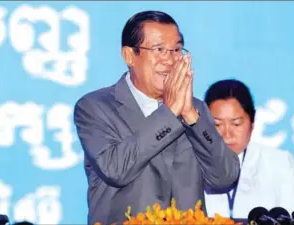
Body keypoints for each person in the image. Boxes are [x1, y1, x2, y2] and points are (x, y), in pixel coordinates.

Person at [74, 10, 240, 225]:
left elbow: (224, 177)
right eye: (159, 49)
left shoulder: (195, 108)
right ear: (129, 55)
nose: (170, 60)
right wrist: (170, 113)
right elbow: (116, 170)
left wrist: (191, 118)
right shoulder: (95, 107)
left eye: (176, 50)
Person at [203, 79, 294, 224]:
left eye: (236, 123)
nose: (227, 134)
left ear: (252, 121)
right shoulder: (188, 163)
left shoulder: (281, 163)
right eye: (217, 124)